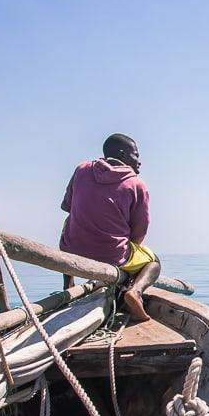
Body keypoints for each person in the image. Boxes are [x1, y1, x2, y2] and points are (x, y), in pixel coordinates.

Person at [59, 133, 160, 321]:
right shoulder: (136, 184)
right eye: (136, 155)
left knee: (68, 225)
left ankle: (68, 286)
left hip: (72, 250)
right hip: (112, 255)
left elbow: (68, 206)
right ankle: (135, 292)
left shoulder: (81, 170)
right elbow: (139, 232)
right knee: (154, 263)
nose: (139, 161)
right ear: (123, 154)